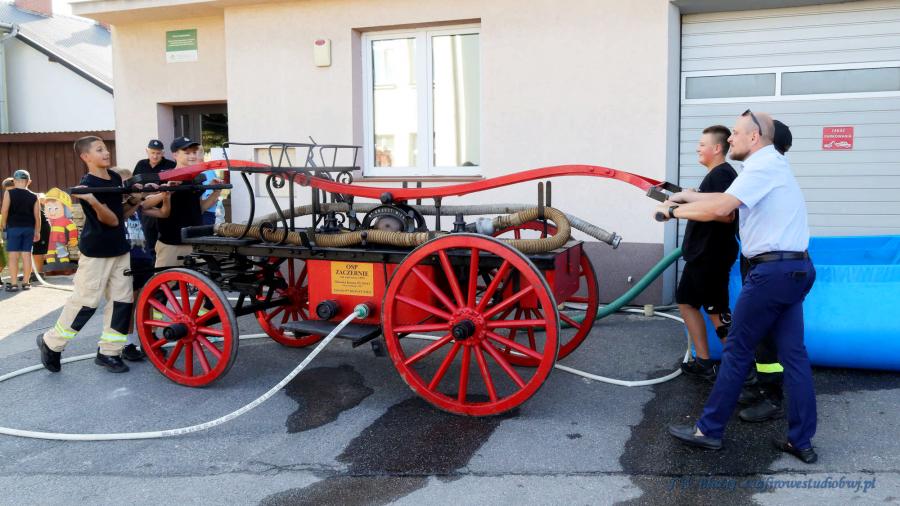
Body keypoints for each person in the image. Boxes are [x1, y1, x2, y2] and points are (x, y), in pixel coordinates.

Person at [660, 110, 818, 464]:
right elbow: (721, 198)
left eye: (734, 132)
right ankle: (801, 441)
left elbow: (722, 208)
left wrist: (672, 213)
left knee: (737, 350)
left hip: (771, 274)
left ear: (754, 137)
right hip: (796, 269)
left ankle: (709, 430)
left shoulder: (762, 167)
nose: (729, 138)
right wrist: (685, 196)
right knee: (794, 355)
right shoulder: (771, 166)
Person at [36, 136, 148, 374]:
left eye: (105, 148)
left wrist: (136, 200)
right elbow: (110, 220)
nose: (106, 152)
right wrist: (92, 200)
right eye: (99, 150)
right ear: (85, 157)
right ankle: (52, 342)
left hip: (119, 249)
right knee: (86, 302)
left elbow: (120, 215)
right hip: (97, 252)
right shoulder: (87, 186)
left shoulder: (115, 178)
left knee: (122, 302)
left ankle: (109, 352)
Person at [735, 118, 794, 423]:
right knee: (760, 333)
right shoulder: (766, 171)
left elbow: (725, 208)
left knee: (766, 335)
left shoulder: (767, 171)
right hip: (759, 262)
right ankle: (761, 387)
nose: (733, 138)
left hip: (770, 266)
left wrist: (678, 207)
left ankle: (772, 396)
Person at [676, 125, 739, 381]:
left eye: (702, 145)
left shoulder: (722, 174)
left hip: (711, 257)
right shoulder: (715, 176)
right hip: (699, 256)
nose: (697, 149)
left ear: (717, 148)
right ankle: (703, 361)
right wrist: (692, 196)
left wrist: (676, 209)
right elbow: (712, 203)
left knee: (717, 312)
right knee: (685, 302)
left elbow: (726, 214)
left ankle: (741, 371)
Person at [110, 167, 170, 361]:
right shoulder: (116, 205)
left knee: (146, 302)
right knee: (128, 303)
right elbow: (125, 210)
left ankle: (147, 338)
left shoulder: (137, 204)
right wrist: (141, 196)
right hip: (127, 260)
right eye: (125, 183)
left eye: (131, 182)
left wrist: (165, 194)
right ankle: (126, 343)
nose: (129, 186)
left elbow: (162, 211)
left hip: (143, 257)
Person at [154, 137, 221, 271]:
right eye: (187, 153)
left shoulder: (197, 178)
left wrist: (216, 191)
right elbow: (156, 209)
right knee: (165, 282)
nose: (192, 156)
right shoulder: (166, 177)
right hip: (171, 244)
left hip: (195, 242)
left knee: (201, 281)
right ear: (175, 155)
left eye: (194, 152)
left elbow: (199, 208)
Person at [133, 139, 176, 256]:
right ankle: (152, 264)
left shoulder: (171, 165)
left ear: (163, 153)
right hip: (146, 208)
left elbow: (173, 186)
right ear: (147, 151)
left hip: (165, 207)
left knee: (165, 240)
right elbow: (134, 184)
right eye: (152, 153)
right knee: (149, 242)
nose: (155, 156)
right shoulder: (141, 164)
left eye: (158, 153)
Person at [1, 170, 40, 292]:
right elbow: (37, 216)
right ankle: (26, 283)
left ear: (14, 181)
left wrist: (3, 224)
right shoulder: (34, 196)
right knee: (26, 255)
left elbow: (4, 210)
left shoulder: (9, 193)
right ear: (29, 182)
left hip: (13, 228)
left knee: (13, 256)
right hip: (29, 228)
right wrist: (37, 231)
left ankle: (13, 284)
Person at [31, 193, 51, 279]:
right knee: (34, 252)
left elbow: (42, 197)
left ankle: (39, 273)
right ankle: (33, 273)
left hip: (42, 229)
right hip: (36, 228)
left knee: (38, 252)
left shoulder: (35, 201)